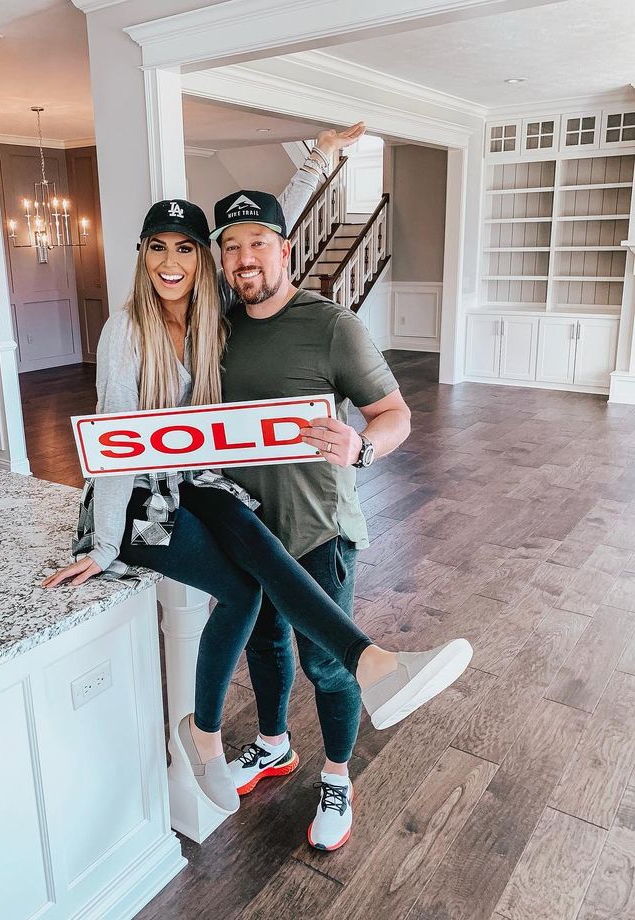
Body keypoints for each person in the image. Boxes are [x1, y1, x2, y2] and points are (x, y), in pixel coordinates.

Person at [41, 127, 472, 846]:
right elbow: (115, 446)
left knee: (271, 587)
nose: (179, 262)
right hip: (145, 495)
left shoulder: (219, 307)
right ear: (142, 258)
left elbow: (261, 228)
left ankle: (343, 718)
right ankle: (260, 717)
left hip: (229, 487)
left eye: (189, 249)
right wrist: (107, 545)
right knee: (251, 599)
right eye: (159, 249)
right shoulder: (130, 331)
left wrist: (317, 163)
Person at [204, 186, 458, 850]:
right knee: (261, 643)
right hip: (246, 527)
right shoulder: (218, 329)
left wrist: (362, 445)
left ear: (285, 249)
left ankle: (339, 777)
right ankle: (272, 746)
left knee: (326, 661)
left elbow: (394, 413)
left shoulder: (332, 326)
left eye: (258, 241)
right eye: (231, 246)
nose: (245, 257)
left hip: (319, 528)